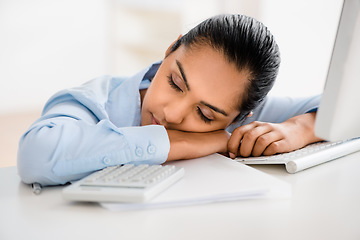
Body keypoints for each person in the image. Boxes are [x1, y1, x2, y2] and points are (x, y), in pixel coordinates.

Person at [17, 14, 322, 186]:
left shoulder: (240, 116)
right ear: (170, 50)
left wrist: (301, 127)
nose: (173, 114)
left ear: (241, 117)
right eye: (175, 83)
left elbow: (348, 107)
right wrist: (183, 143)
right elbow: (35, 155)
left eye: (205, 115)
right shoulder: (94, 101)